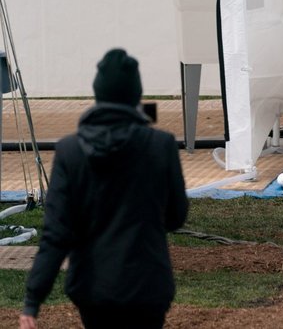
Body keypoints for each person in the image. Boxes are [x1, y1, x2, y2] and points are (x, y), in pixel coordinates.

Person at [21, 49, 188, 329]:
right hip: (148, 285)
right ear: (135, 94)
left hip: (93, 288)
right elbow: (175, 217)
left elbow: (57, 234)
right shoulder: (161, 145)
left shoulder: (69, 152)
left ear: (98, 93)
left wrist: (32, 301)